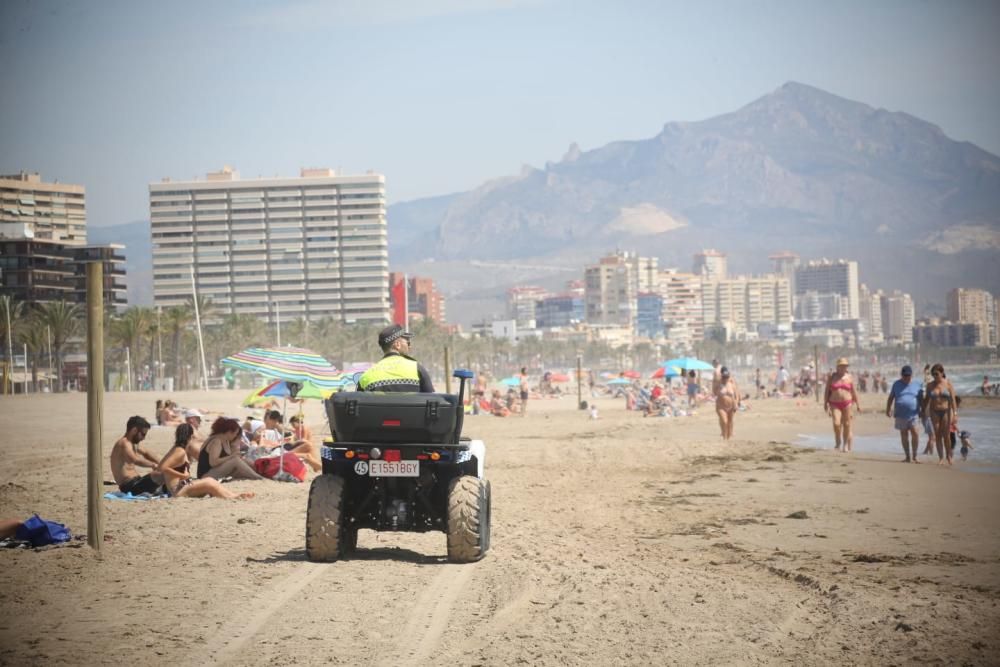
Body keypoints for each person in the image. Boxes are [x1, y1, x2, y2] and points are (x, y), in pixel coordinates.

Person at [157, 424, 254, 499]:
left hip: (181, 487)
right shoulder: (180, 451)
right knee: (209, 482)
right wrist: (182, 476)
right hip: (177, 491)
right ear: (191, 436)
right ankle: (232, 497)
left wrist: (182, 474)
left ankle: (233, 495)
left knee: (210, 481)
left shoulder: (177, 449)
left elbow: (161, 466)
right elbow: (163, 468)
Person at [358, 324, 435, 392]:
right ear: (397, 344)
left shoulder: (365, 376)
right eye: (408, 343)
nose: (410, 347)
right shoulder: (416, 369)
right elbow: (433, 400)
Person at [198, 417, 265, 481]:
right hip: (206, 475)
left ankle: (260, 473)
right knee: (235, 460)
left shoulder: (225, 440)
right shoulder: (216, 441)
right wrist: (231, 456)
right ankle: (258, 477)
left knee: (244, 464)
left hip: (215, 470)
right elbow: (213, 462)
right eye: (235, 434)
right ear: (229, 432)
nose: (235, 436)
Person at [110, 416, 163, 495]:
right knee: (163, 474)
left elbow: (146, 453)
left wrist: (162, 463)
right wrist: (153, 465)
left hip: (137, 482)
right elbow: (135, 459)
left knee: (166, 471)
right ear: (134, 430)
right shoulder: (124, 443)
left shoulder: (131, 443)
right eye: (143, 434)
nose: (144, 438)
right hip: (129, 487)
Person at [886, 365, 923, 463]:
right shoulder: (896, 384)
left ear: (911, 375)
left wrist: (922, 410)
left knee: (915, 433)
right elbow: (891, 398)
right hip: (900, 414)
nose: (907, 378)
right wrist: (888, 409)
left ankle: (915, 456)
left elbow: (921, 399)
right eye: (905, 376)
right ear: (901, 375)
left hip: (913, 414)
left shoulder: (917, 384)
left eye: (908, 376)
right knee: (904, 434)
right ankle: (907, 456)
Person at [823, 357, 861, 452]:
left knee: (847, 424)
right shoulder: (832, 377)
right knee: (836, 423)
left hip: (847, 403)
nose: (843, 368)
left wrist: (858, 404)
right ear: (837, 367)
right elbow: (827, 390)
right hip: (834, 403)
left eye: (845, 366)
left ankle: (845, 445)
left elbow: (854, 391)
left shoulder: (849, 377)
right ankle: (838, 442)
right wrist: (825, 403)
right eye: (841, 366)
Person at [923, 363, 958, 465]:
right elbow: (926, 400)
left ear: (942, 373)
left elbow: (953, 400)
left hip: (946, 411)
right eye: (933, 374)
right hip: (934, 412)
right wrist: (922, 410)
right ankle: (941, 458)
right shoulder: (930, 385)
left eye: (937, 374)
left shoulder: (948, 384)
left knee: (946, 435)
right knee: (937, 435)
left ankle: (949, 456)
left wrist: (955, 414)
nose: (935, 376)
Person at [714, 367, 741, 440]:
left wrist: (737, 403)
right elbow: (714, 392)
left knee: (730, 422)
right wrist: (719, 389)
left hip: (731, 406)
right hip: (721, 406)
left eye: (727, 377)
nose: (725, 379)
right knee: (724, 421)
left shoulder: (732, 383)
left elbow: (736, 394)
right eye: (724, 377)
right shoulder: (718, 383)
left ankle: (728, 437)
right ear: (721, 376)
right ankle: (724, 436)